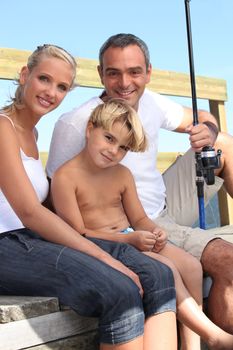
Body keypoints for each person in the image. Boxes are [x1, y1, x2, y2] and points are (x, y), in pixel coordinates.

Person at [46, 33, 233, 334]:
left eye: (134, 71)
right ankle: (211, 336)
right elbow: (55, 198)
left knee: (224, 142)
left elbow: (201, 116)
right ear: (100, 75)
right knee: (224, 262)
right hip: (131, 226)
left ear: (148, 72)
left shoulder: (153, 103)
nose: (124, 83)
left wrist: (207, 131)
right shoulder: (75, 123)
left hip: (160, 206)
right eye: (113, 73)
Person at [0, 44, 179, 350]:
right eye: (44, 79)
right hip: (7, 244)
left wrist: (111, 244)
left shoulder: (32, 134)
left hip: (29, 239)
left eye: (62, 87)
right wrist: (101, 255)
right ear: (24, 74)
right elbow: (29, 211)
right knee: (119, 288)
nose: (51, 92)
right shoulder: (2, 126)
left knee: (157, 272)